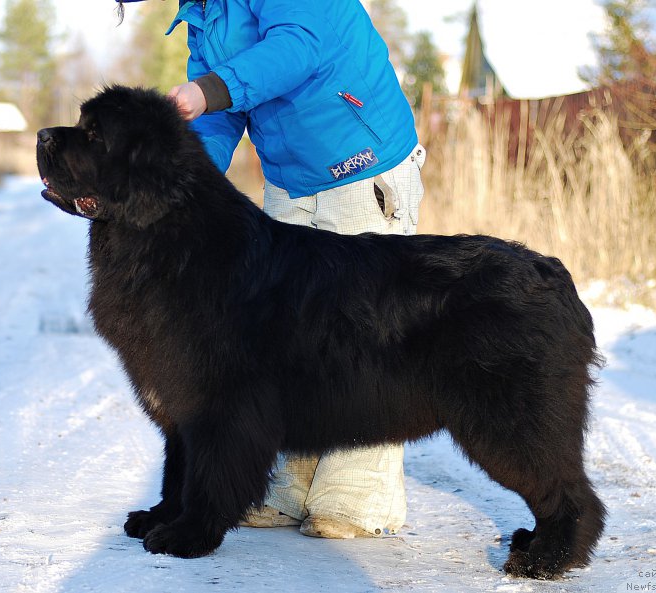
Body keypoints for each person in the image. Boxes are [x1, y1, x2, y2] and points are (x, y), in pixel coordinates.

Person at [115, 0, 426, 540]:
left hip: (360, 162)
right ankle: (287, 489)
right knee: (289, 345)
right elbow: (213, 119)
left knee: (360, 342)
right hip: (290, 179)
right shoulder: (204, 16)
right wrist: (178, 193)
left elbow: (296, 47)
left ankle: (356, 498)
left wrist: (206, 89)